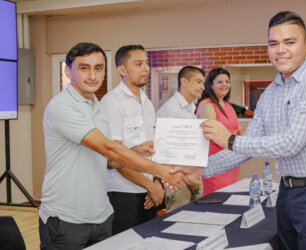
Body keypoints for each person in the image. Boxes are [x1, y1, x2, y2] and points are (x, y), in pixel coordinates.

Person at [186, 11, 306, 249]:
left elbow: (291, 143)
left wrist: (231, 140)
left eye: (290, 42)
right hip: (287, 191)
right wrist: (199, 169)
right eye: (273, 43)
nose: (280, 49)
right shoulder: (271, 93)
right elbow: (251, 144)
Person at [39, 42, 189, 249]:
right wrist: (162, 172)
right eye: (84, 68)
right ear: (67, 71)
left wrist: (136, 151)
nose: (92, 75)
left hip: (101, 216)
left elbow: (110, 160)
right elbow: (109, 148)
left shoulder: (97, 106)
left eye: (98, 68)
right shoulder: (62, 106)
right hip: (67, 218)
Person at [101, 45, 163, 235]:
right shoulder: (112, 102)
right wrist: (150, 185)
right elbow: (115, 157)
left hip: (149, 192)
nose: (146, 68)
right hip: (124, 193)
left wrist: (157, 182)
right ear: (122, 70)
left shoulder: (146, 102)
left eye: (147, 63)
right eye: (138, 64)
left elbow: (154, 149)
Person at [156, 66, 205, 211]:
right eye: (198, 82)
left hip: (192, 175)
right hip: (179, 179)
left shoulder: (190, 107)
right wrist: (189, 180)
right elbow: (167, 153)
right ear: (184, 81)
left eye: (203, 83)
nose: (203, 87)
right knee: (177, 223)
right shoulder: (172, 109)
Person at [196, 68, 244, 196]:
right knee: (217, 198)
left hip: (232, 160)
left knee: (229, 196)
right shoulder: (206, 105)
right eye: (219, 82)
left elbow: (239, 129)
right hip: (216, 161)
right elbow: (213, 134)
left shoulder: (228, 105)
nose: (224, 85)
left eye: (227, 81)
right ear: (211, 85)